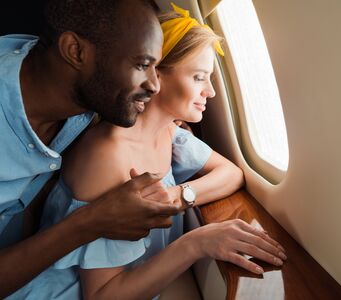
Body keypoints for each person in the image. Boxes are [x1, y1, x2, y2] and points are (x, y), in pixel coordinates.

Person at [7, 4, 288, 300]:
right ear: (158, 74)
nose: (211, 92)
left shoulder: (169, 133)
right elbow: (101, 295)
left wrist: (178, 196)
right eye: (198, 77)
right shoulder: (109, 156)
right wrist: (196, 244)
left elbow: (231, 174)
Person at [0, 0, 181, 297]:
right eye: (142, 64)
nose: (155, 85)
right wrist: (94, 221)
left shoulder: (72, 91)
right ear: (75, 51)